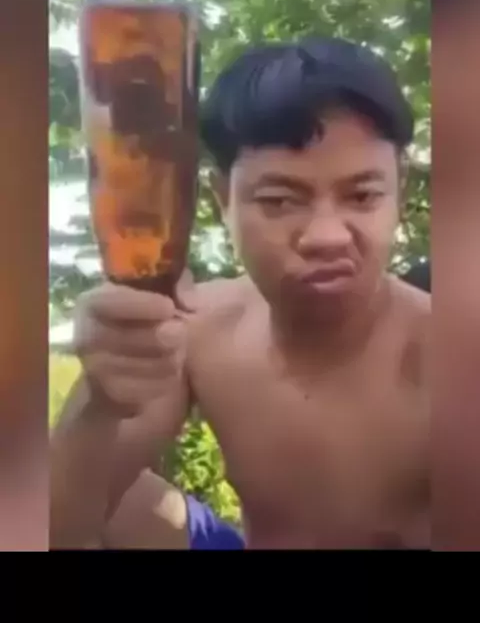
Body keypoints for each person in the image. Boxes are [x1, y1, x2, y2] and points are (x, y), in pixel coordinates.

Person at [51, 37, 430, 550]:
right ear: (221, 199)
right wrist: (99, 404)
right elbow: (52, 534)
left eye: (362, 196)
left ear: (399, 191)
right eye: (280, 200)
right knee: (85, 480)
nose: (327, 236)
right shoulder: (195, 328)